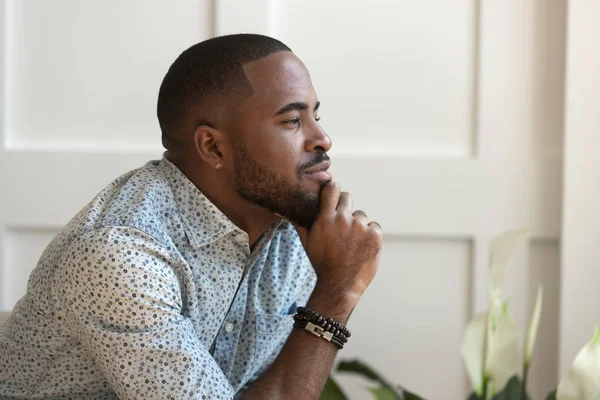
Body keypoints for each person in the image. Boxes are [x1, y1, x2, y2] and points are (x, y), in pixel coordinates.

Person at [0, 34, 382, 399]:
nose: (324, 139)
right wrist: (336, 292)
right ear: (213, 147)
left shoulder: (295, 228)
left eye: (315, 115)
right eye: (292, 121)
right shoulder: (121, 257)